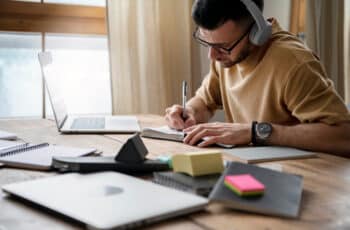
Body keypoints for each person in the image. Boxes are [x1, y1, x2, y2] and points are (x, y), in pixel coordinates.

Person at [165, 0, 350, 156]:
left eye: (223, 46)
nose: (212, 56)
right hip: (252, 167)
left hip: (305, 177)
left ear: (257, 33)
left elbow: (343, 136)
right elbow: (205, 102)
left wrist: (256, 132)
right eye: (207, 43)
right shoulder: (225, 57)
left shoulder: (294, 63)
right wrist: (190, 112)